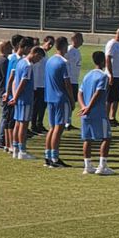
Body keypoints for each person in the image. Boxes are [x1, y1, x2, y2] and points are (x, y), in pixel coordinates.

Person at [78, 50, 113, 176]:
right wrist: (89, 107)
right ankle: (102, 166)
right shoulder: (103, 76)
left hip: (86, 113)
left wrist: (83, 106)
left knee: (87, 138)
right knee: (106, 137)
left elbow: (80, 92)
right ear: (103, 61)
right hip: (98, 112)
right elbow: (98, 93)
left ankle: (87, 166)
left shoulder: (87, 75)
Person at [43, 36, 75, 167]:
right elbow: (67, 83)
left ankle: (48, 155)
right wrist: (72, 100)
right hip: (61, 98)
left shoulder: (49, 60)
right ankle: (55, 158)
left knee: (52, 128)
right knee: (59, 127)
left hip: (50, 97)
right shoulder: (63, 62)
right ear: (64, 46)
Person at [8, 44, 40, 159]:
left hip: (18, 97)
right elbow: (22, 82)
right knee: (24, 124)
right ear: (35, 54)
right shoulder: (28, 65)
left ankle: (15, 148)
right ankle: (22, 151)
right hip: (25, 98)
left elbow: (14, 81)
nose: (38, 61)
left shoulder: (20, 62)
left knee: (18, 122)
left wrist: (14, 95)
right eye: (39, 58)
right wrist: (16, 97)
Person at [104, 28, 119, 124]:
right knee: (109, 98)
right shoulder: (112, 44)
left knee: (116, 98)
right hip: (112, 75)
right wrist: (110, 74)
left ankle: (112, 118)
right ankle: (105, 118)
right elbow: (108, 59)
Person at [0, 39, 12, 151]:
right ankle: (1, 141)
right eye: (9, 47)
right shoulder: (4, 61)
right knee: (5, 117)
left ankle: (2, 140)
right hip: (3, 92)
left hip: (1, 91)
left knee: (4, 116)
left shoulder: (1, 60)